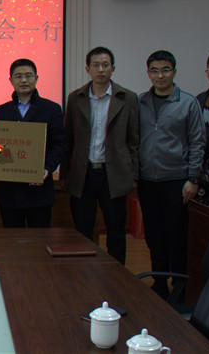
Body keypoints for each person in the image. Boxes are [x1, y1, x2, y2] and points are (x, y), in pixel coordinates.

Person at [60, 47, 139, 264]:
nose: (101, 69)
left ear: (113, 68)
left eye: (105, 65)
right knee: (83, 230)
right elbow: (69, 139)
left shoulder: (127, 98)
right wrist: (65, 173)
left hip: (113, 174)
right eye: (96, 65)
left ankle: (116, 276)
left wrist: (134, 175)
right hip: (83, 174)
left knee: (116, 231)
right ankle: (85, 273)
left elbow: (133, 139)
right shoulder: (76, 98)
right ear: (88, 69)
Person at [138, 50, 205, 299]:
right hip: (147, 181)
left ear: (174, 72)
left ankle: (179, 285)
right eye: (155, 70)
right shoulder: (141, 102)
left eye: (165, 70)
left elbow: (197, 142)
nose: (160, 75)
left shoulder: (188, 103)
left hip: (177, 181)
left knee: (176, 235)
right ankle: (159, 282)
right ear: (148, 73)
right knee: (154, 235)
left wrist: (193, 179)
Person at [0, 59, 66, 228]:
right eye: (18, 76)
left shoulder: (52, 109)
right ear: (11, 80)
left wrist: (46, 168)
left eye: (28, 76)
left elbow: (59, 144)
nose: (24, 80)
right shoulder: (1, 111)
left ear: (36, 78)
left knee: (39, 239)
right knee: (12, 240)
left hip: (39, 190)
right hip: (9, 191)